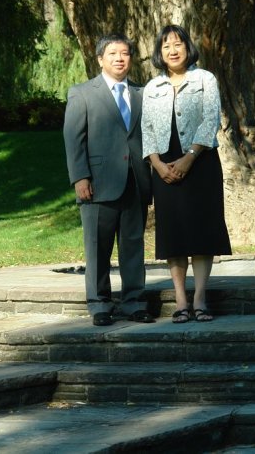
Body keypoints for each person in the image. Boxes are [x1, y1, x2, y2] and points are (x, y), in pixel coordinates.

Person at [141, 24, 231, 323]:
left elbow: (210, 118)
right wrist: (156, 163)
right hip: (163, 166)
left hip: (200, 162)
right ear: (160, 52)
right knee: (174, 233)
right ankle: (181, 299)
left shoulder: (205, 79)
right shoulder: (152, 87)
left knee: (202, 231)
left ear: (187, 47)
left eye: (178, 43)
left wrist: (189, 158)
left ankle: (201, 297)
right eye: (166, 45)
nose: (173, 49)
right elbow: (147, 129)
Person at [63, 33, 155, 326]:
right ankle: (99, 304)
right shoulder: (82, 93)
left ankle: (134, 301)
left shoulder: (142, 94)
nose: (119, 58)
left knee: (133, 245)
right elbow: (73, 139)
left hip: (136, 181)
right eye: (113, 53)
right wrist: (80, 177)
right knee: (97, 246)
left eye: (125, 53)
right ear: (100, 59)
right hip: (97, 184)